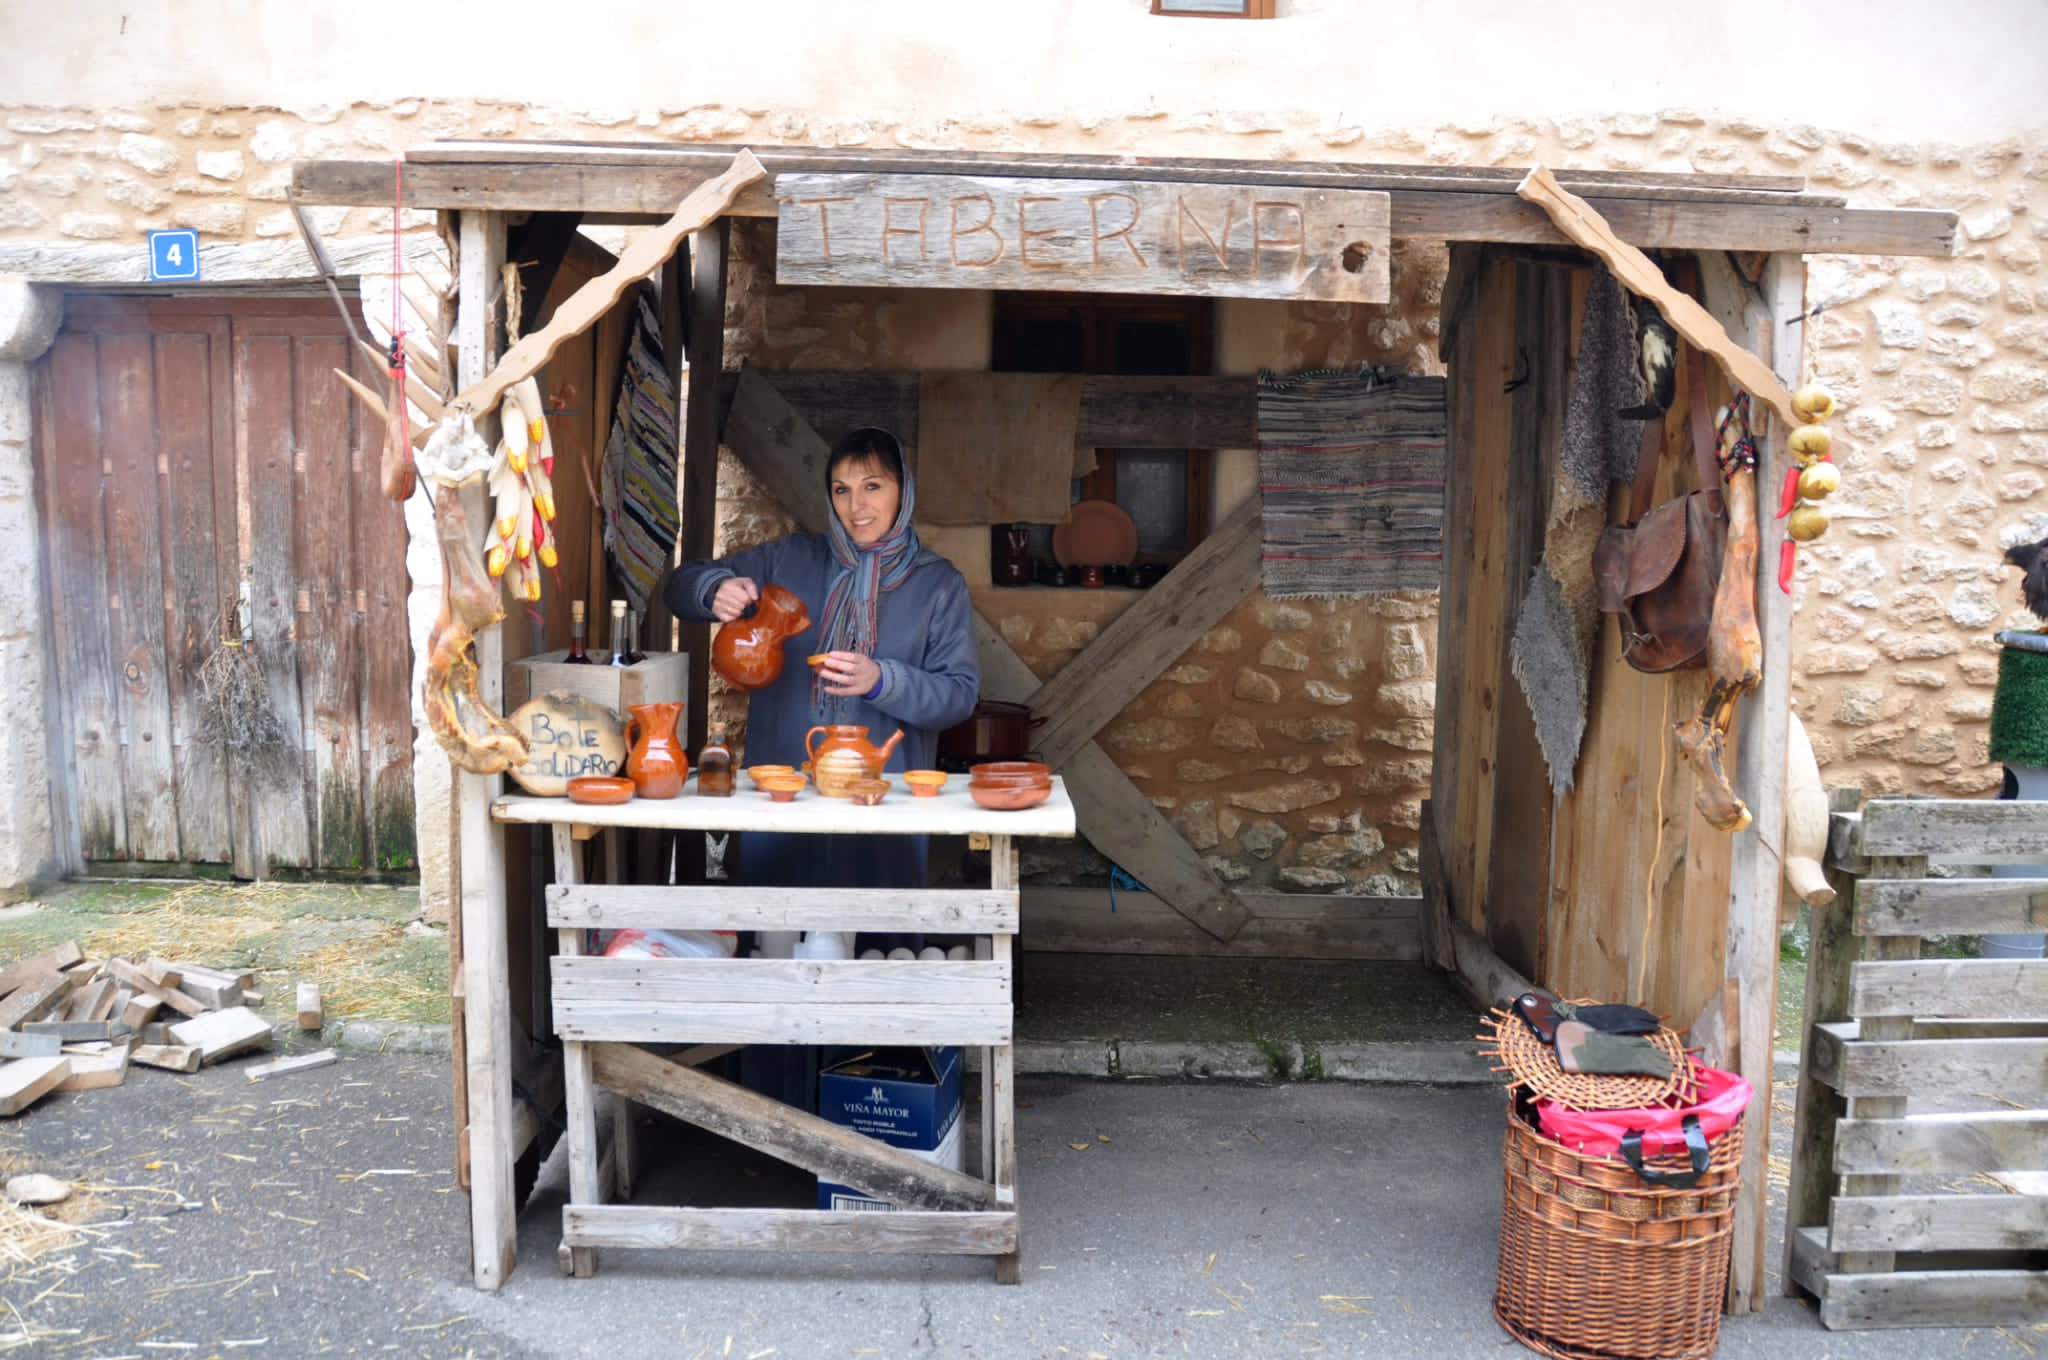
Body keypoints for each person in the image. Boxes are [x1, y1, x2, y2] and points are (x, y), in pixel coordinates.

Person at [665, 425, 979, 894]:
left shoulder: (938, 585)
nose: (857, 507)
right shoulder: (788, 560)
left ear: (904, 491)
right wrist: (713, 590)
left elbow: (958, 695)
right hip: (783, 791)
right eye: (842, 490)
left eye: (873, 487)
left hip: (884, 802)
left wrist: (882, 680)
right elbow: (678, 587)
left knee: (880, 943)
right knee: (777, 931)